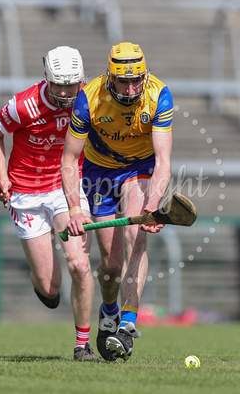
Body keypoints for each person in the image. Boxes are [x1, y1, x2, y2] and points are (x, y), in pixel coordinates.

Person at [0, 46, 101, 361]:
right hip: (25, 195)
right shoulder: (24, 106)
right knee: (51, 288)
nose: (66, 92)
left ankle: (82, 345)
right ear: (46, 77)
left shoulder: (88, 99)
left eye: (72, 84)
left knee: (79, 263)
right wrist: (2, 177)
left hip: (67, 189)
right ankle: (40, 277)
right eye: (59, 84)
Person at [61, 42, 173, 361]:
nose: (130, 87)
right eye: (123, 80)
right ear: (111, 76)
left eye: (136, 79)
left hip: (139, 169)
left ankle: (127, 324)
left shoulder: (159, 95)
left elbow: (163, 159)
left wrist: (152, 204)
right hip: (99, 174)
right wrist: (73, 208)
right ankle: (108, 310)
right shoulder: (89, 98)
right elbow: (70, 157)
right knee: (110, 263)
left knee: (134, 237)